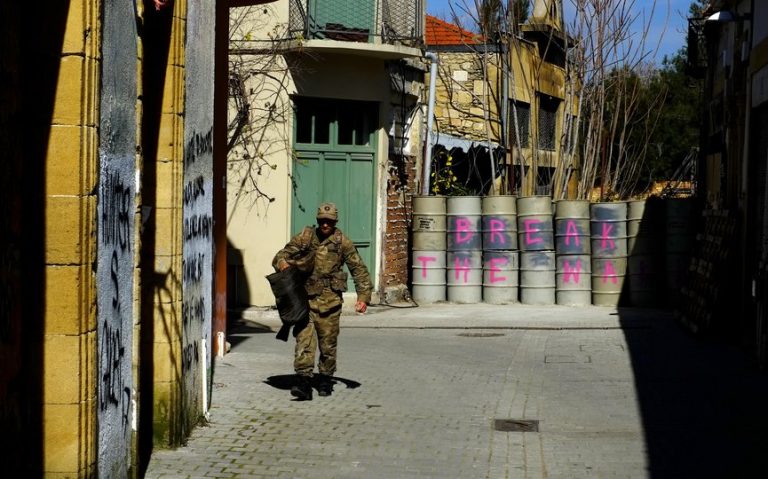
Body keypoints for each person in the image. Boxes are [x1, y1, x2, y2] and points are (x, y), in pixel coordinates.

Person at [272, 202, 372, 400]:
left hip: (330, 303)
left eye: (329, 221)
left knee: (328, 345)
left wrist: (363, 297)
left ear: (335, 222)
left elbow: (358, 269)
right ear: (318, 221)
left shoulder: (342, 242)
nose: (325, 225)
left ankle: (325, 378)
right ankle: (303, 382)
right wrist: (283, 264)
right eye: (322, 221)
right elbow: (280, 256)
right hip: (305, 301)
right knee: (304, 343)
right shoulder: (305, 238)